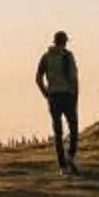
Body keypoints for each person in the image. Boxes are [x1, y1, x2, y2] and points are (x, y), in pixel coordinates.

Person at [35, 30, 80, 173]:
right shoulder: (68, 56)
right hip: (67, 95)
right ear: (65, 41)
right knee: (73, 127)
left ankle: (62, 166)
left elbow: (38, 77)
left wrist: (45, 93)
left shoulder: (46, 57)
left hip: (53, 96)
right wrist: (76, 95)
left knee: (58, 131)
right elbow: (73, 78)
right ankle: (70, 156)